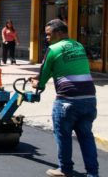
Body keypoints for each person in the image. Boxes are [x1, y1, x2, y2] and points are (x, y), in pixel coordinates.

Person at [30, 19, 98, 177]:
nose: (46, 37)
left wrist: (37, 84)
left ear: (59, 33)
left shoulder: (53, 49)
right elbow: (66, 67)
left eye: (48, 34)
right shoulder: (78, 45)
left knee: (63, 135)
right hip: (89, 99)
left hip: (68, 100)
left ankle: (65, 169)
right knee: (86, 136)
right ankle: (93, 173)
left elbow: (44, 74)